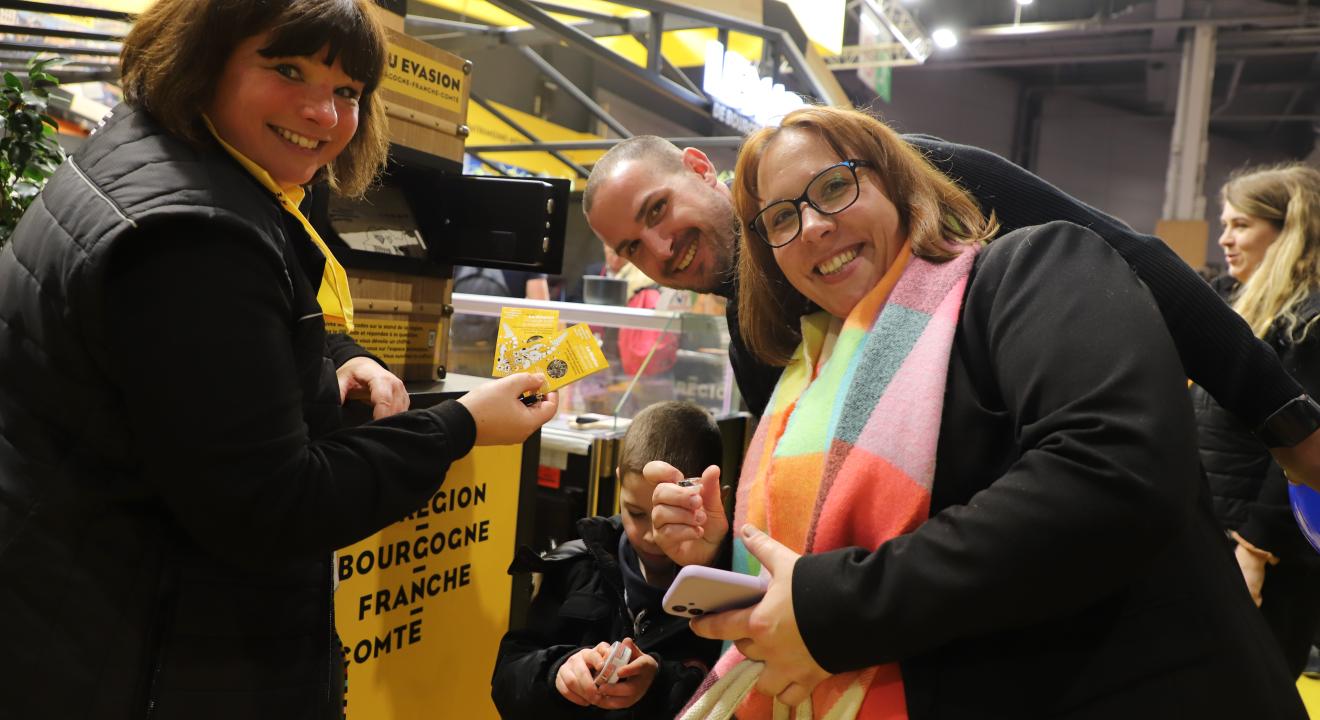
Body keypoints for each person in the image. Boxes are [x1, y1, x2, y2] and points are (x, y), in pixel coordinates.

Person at [648, 106, 1306, 718]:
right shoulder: (812, 372)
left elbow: (1112, 474)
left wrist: (834, 609)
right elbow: (827, 549)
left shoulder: (1034, 269)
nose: (814, 224)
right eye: (783, 219)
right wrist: (729, 549)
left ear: (898, 182)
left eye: (832, 188)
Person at [0, 1, 557, 717]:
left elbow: (213, 343)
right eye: (287, 68)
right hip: (143, 655)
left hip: (73, 613)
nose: (323, 113)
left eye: (348, 92)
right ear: (204, 54)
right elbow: (271, 508)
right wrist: (460, 427)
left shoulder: (148, 158)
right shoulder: (195, 236)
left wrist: (332, 352)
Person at [582, 135, 1320, 492]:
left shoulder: (914, 174)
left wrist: (1287, 421)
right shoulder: (759, 331)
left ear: (699, 170)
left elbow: (1130, 257)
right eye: (631, 246)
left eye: (658, 209)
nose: (660, 246)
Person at [490, 401, 724, 718]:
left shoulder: (732, 587)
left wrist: (659, 682)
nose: (653, 535)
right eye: (637, 513)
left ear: (716, 500)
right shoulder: (578, 565)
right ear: (618, 482)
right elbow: (509, 678)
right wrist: (557, 672)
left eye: (673, 517)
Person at [1192, 163, 1320, 676]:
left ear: (1289, 230)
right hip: (1218, 525)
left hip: (1269, 549)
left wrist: (1255, 549)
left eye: (1241, 225)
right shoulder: (1240, 304)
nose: (1225, 239)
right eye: (1224, 224)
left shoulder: (1308, 320)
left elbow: (1297, 447)